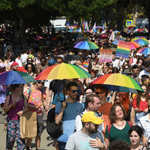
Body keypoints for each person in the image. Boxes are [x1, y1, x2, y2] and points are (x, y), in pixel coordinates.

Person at [55, 81, 83, 150]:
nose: (76, 93)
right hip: (63, 139)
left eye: (77, 91)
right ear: (68, 92)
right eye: (73, 91)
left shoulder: (80, 106)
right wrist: (63, 108)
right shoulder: (60, 104)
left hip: (77, 140)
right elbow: (57, 121)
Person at [4, 84, 28, 150]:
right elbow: (5, 109)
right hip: (11, 121)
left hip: (20, 121)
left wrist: (22, 111)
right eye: (21, 87)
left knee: (21, 140)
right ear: (16, 88)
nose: (22, 88)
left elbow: (26, 108)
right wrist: (11, 105)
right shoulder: (9, 97)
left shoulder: (23, 97)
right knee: (10, 140)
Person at [24, 81, 44, 150]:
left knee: (39, 133)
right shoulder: (28, 91)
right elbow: (24, 103)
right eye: (42, 84)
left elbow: (41, 103)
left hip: (39, 114)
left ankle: (37, 148)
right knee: (31, 133)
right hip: (31, 114)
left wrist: (43, 110)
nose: (43, 85)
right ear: (37, 83)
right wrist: (33, 107)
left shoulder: (40, 92)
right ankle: (28, 146)